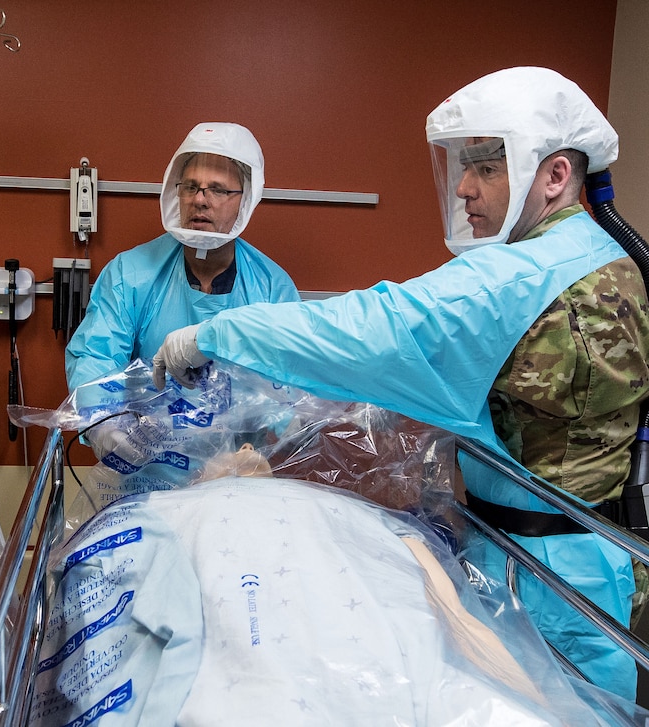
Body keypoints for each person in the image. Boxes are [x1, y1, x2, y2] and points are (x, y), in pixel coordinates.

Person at [152, 66, 649, 701]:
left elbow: (371, 329)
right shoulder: (601, 251)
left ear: (554, 175)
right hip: (595, 564)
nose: (465, 188)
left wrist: (216, 334)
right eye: (462, 167)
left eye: (488, 168)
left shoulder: (517, 279)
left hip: (542, 580)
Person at [64, 121, 300, 394]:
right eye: (190, 187)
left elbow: (291, 387)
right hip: (147, 435)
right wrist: (107, 428)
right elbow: (95, 359)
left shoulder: (272, 288)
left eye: (218, 189)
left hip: (242, 438)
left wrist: (283, 432)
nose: (200, 200)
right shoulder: (129, 275)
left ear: (245, 199)